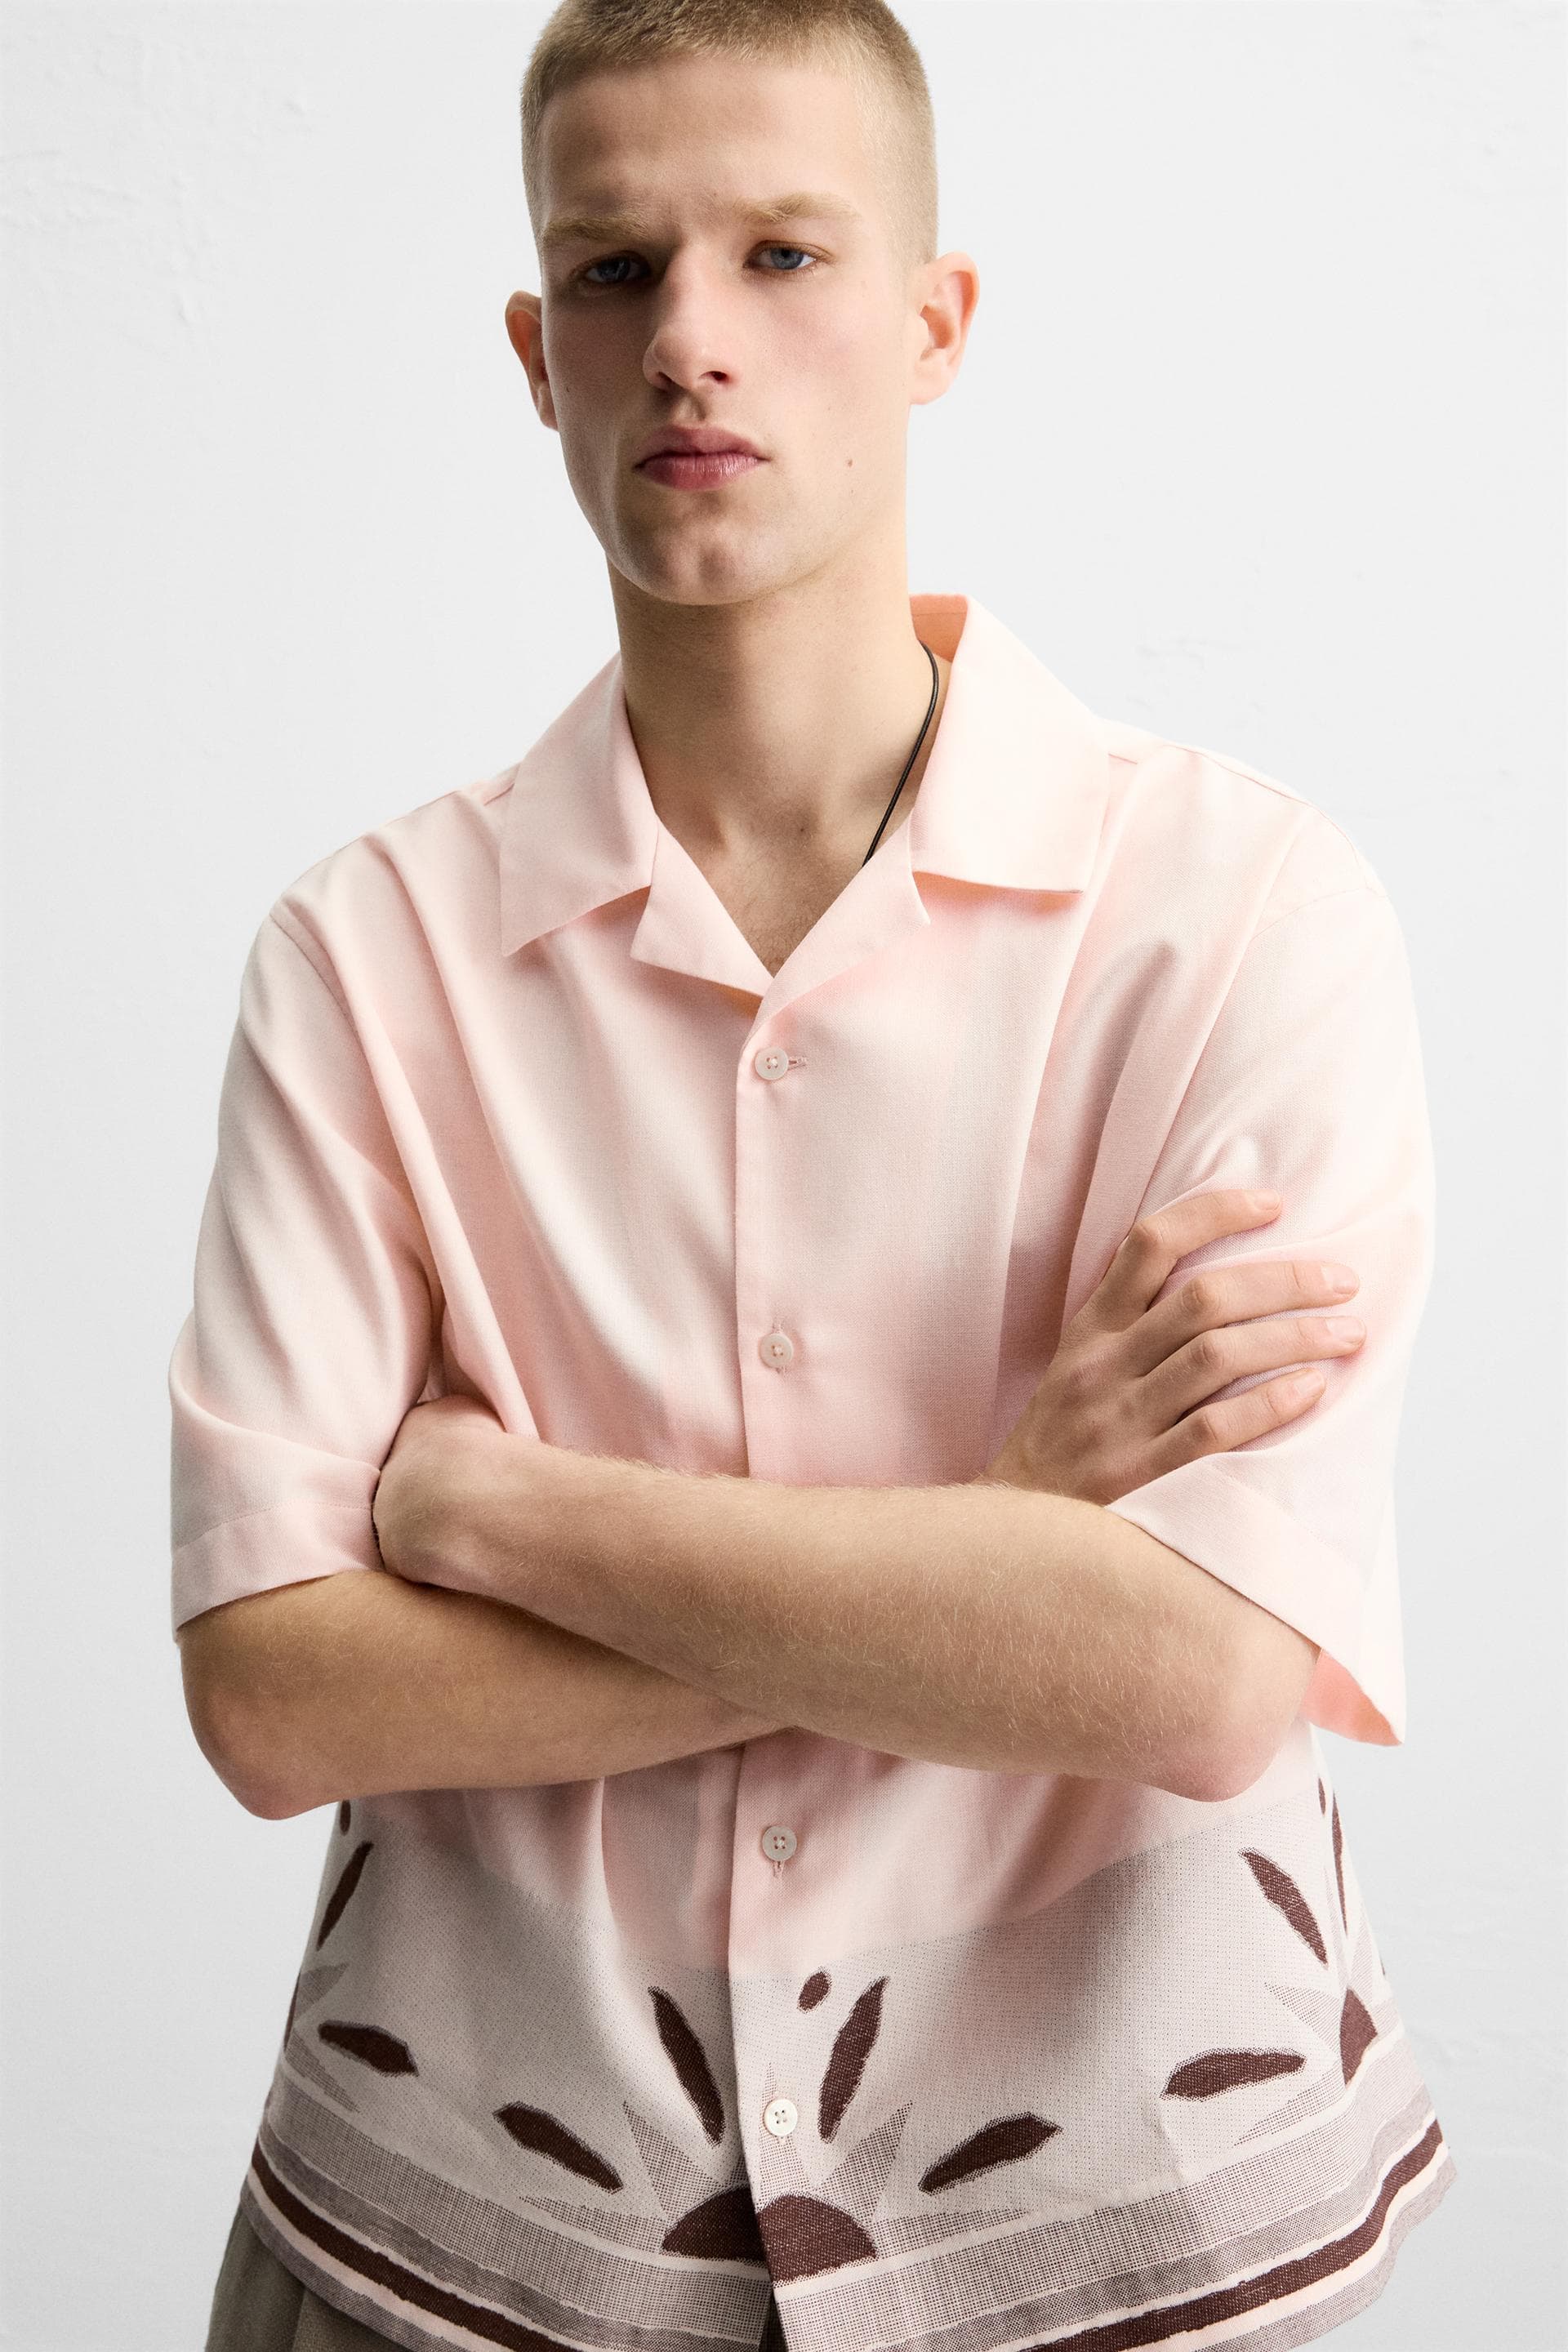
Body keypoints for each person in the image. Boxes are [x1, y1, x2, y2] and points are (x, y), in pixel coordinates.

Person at [173, 2, 1455, 2346]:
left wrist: (496, 1517)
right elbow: (276, 1694)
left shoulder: (1248, 913)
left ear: (939, 321)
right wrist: (1001, 1526)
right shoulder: (364, 960)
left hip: (1124, 2249)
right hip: (451, 2258)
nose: (691, 338)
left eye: (783, 253)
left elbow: (1188, 1676)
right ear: (534, 355)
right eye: (614, 269)